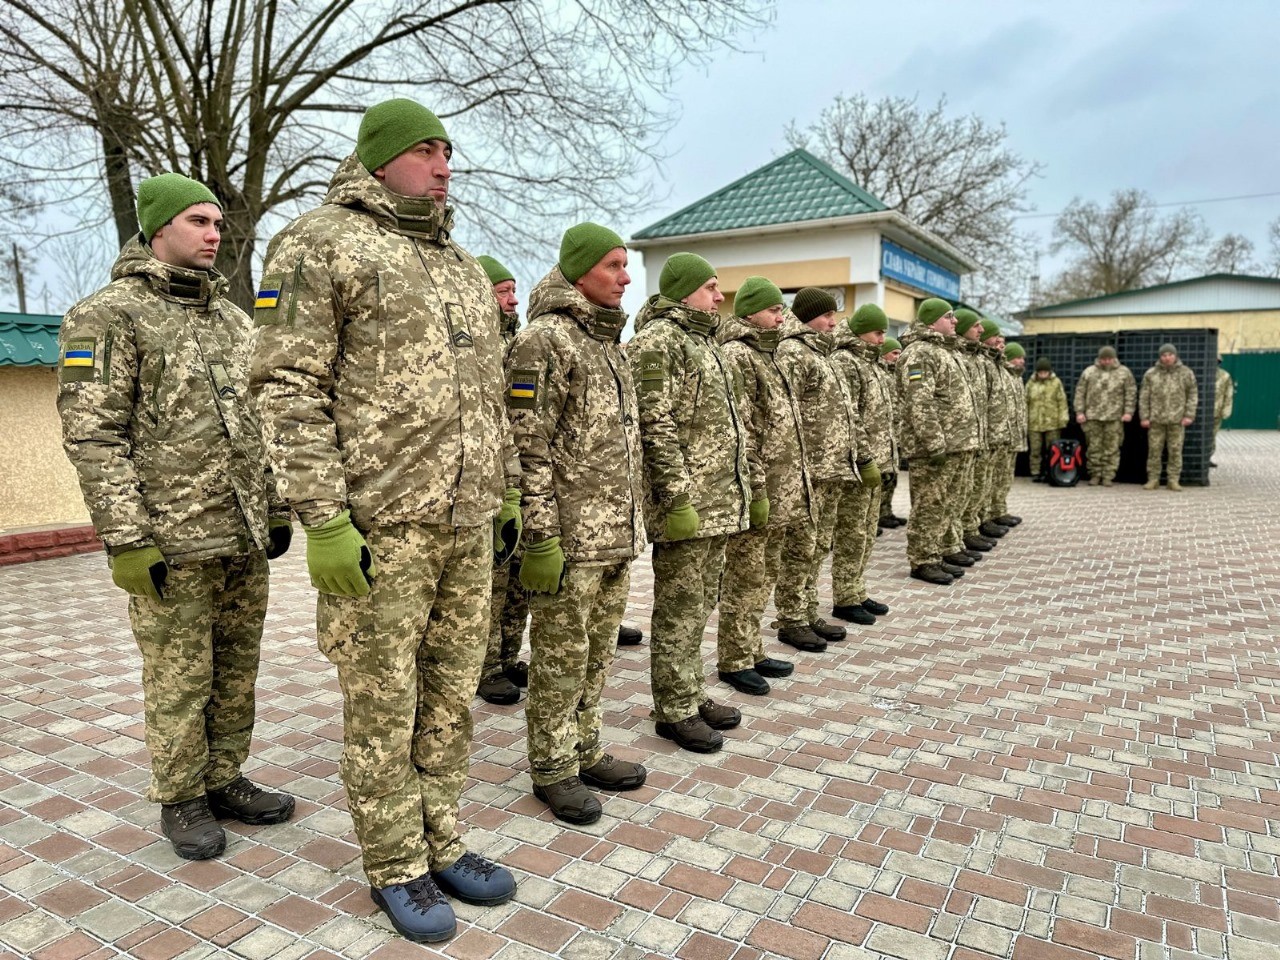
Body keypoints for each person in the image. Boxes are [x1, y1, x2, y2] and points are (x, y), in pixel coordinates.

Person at [249, 99, 517, 943]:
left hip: (465, 522)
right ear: (380, 159)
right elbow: (286, 387)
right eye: (427, 150)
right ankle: (395, 861)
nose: (445, 165)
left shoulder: (461, 263)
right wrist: (324, 518)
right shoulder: (315, 243)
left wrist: (503, 491)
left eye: (449, 150)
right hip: (382, 527)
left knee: (449, 693)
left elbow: (488, 393)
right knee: (382, 700)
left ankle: (444, 840)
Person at [58, 173, 296, 862]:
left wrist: (277, 506)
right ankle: (181, 795)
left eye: (218, 223)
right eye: (198, 221)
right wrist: (127, 538)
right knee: (179, 674)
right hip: (171, 539)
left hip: (241, 532)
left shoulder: (234, 320)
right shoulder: (107, 316)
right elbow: (94, 434)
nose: (214, 234)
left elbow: (262, 422)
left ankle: (224, 777)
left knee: (236, 668)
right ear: (157, 228)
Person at [502, 223, 648, 823]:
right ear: (581, 270)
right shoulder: (545, 341)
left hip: (613, 534)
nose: (625, 276)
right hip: (568, 538)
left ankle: (584, 749)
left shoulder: (608, 343)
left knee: (597, 655)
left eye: (625, 265)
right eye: (613, 265)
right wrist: (540, 536)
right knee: (561, 659)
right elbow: (525, 444)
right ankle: (553, 767)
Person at [630, 255, 750, 753]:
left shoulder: (709, 345)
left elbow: (733, 429)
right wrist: (677, 498)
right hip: (689, 506)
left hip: (720, 500)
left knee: (701, 605)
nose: (719, 297)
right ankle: (673, 708)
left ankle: (691, 691)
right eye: (709, 287)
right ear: (682, 292)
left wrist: (747, 490)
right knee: (679, 610)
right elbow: (657, 427)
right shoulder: (658, 344)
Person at [717, 275, 808, 696]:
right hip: (759, 487)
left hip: (782, 486)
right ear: (751, 310)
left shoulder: (770, 354)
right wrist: (756, 489)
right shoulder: (738, 356)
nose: (781, 315)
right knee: (745, 575)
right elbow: (744, 432)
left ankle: (752, 649)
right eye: (774, 309)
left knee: (765, 573)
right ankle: (734, 658)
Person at [773, 287, 856, 647]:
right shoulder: (793, 351)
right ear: (808, 316)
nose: (833, 322)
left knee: (818, 545)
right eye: (826, 315)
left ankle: (807, 610)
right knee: (799, 548)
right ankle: (791, 617)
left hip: (829, 468)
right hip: (807, 471)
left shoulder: (820, 353)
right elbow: (785, 414)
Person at [474, 255, 529, 706]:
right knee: (492, 581)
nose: (512, 300)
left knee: (517, 580)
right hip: (489, 478)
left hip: (521, 473)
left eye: (513, 291)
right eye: (502, 291)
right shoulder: (479, 344)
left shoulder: (520, 341)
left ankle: (510, 655)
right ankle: (485, 664)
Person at [896, 299, 979, 585]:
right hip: (934, 448)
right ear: (932, 321)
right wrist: (934, 444)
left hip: (957, 443)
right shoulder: (920, 353)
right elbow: (920, 403)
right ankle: (922, 560)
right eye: (948, 316)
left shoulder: (945, 351)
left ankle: (939, 551)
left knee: (947, 503)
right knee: (930, 504)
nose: (955, 321)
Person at [828, 303, 894, 624]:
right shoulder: (846, 361)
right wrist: (864, 457)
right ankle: (844, 596)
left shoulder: (873, 363)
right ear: (861, 330)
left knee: (868, 531)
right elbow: (850, 416)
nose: (883, 338)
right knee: (852, 532)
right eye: (878, 332)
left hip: (876, 463)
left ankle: (857, 589)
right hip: (857, 465)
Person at [946, 308, 994, 567]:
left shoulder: (972, 357)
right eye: (976, 325)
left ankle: (961, 536)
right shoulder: (952, 355)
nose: (982, 330)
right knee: (944, 500)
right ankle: (944, 546)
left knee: (964, 492)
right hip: (952, 441)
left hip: (971, 437)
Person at [1074, 345, 1136, 487]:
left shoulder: (1124, 373)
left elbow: (1131, 393)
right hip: (1093, 417)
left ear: (1114, 358)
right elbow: (1080, 393)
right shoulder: (1089, 372)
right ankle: (1095, 474)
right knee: (1094, 448)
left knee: (1112, 448)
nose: (1106, 361)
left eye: (1109, 358)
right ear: (1099, 359)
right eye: (1103, 359)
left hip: (1114, 417)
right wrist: (1080, 412)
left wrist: (1128, 412)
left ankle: (1108, 475)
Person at [980, 319, 1021, 531]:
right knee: (981, 482)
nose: (1001, 343)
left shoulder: (1003, 370)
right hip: (986, 436)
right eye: (997, 338)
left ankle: (995, 512)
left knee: (998, 478)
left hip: (1002, 434)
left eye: (1003, 340)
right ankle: (980, 520)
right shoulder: (985, 364)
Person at [1139, 343, 1197, 491]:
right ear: (1160, 357)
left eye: (1170, 355)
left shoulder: (1186, 373)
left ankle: (1173, 480)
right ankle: (1153, 479)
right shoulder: (1151, 374)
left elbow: (1192, 395)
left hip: (1177, 420)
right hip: (1156, 420)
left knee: (1175, 451)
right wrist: (1144, 417)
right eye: (1164, 355)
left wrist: (1189, 415)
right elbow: (1144, 397)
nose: (1167, 358)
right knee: (1154, 451)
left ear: (1175, 356)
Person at [992, 341, 1028, 527]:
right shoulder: (1003, 374)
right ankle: (992, 513)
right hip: (1000, 435)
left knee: (1006, 476)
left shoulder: (1017, 378)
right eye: (1018, 357)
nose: (1021, 361)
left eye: (1023, 358)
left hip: (1012, 435)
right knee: (996, 476)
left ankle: (1000, 509)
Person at [878, 337, 906, 530]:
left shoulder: (897, 376)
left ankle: (886, 511)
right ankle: (878, 513)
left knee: (892, 478)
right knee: (881, 479)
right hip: (883, 438)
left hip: (896, 435)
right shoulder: (881, 375)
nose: (898, 357)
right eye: (895, 353)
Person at [1025, 357, 1068, 481]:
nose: (1043, 374)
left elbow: (1062, 401)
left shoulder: (1056, 383)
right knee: (1035, 451)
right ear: (1037, 372)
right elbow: (1025, 402)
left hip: (1052, 423)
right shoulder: (1031, 383)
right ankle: (1035, 473)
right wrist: (1024, 420)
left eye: (1045, 372)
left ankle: (1052, 472)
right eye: (1040, 372)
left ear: (1049, 371)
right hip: (1034, 423)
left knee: (1053, 450)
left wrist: (1063, 419)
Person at [1212, 359, 1234, 466]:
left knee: (1212, 435)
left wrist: (1226, 410)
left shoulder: (1225, 376)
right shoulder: (1201, 373)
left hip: (1216, 411)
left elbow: (1228, 394)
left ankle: (1207, 457)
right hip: (1199, 412)